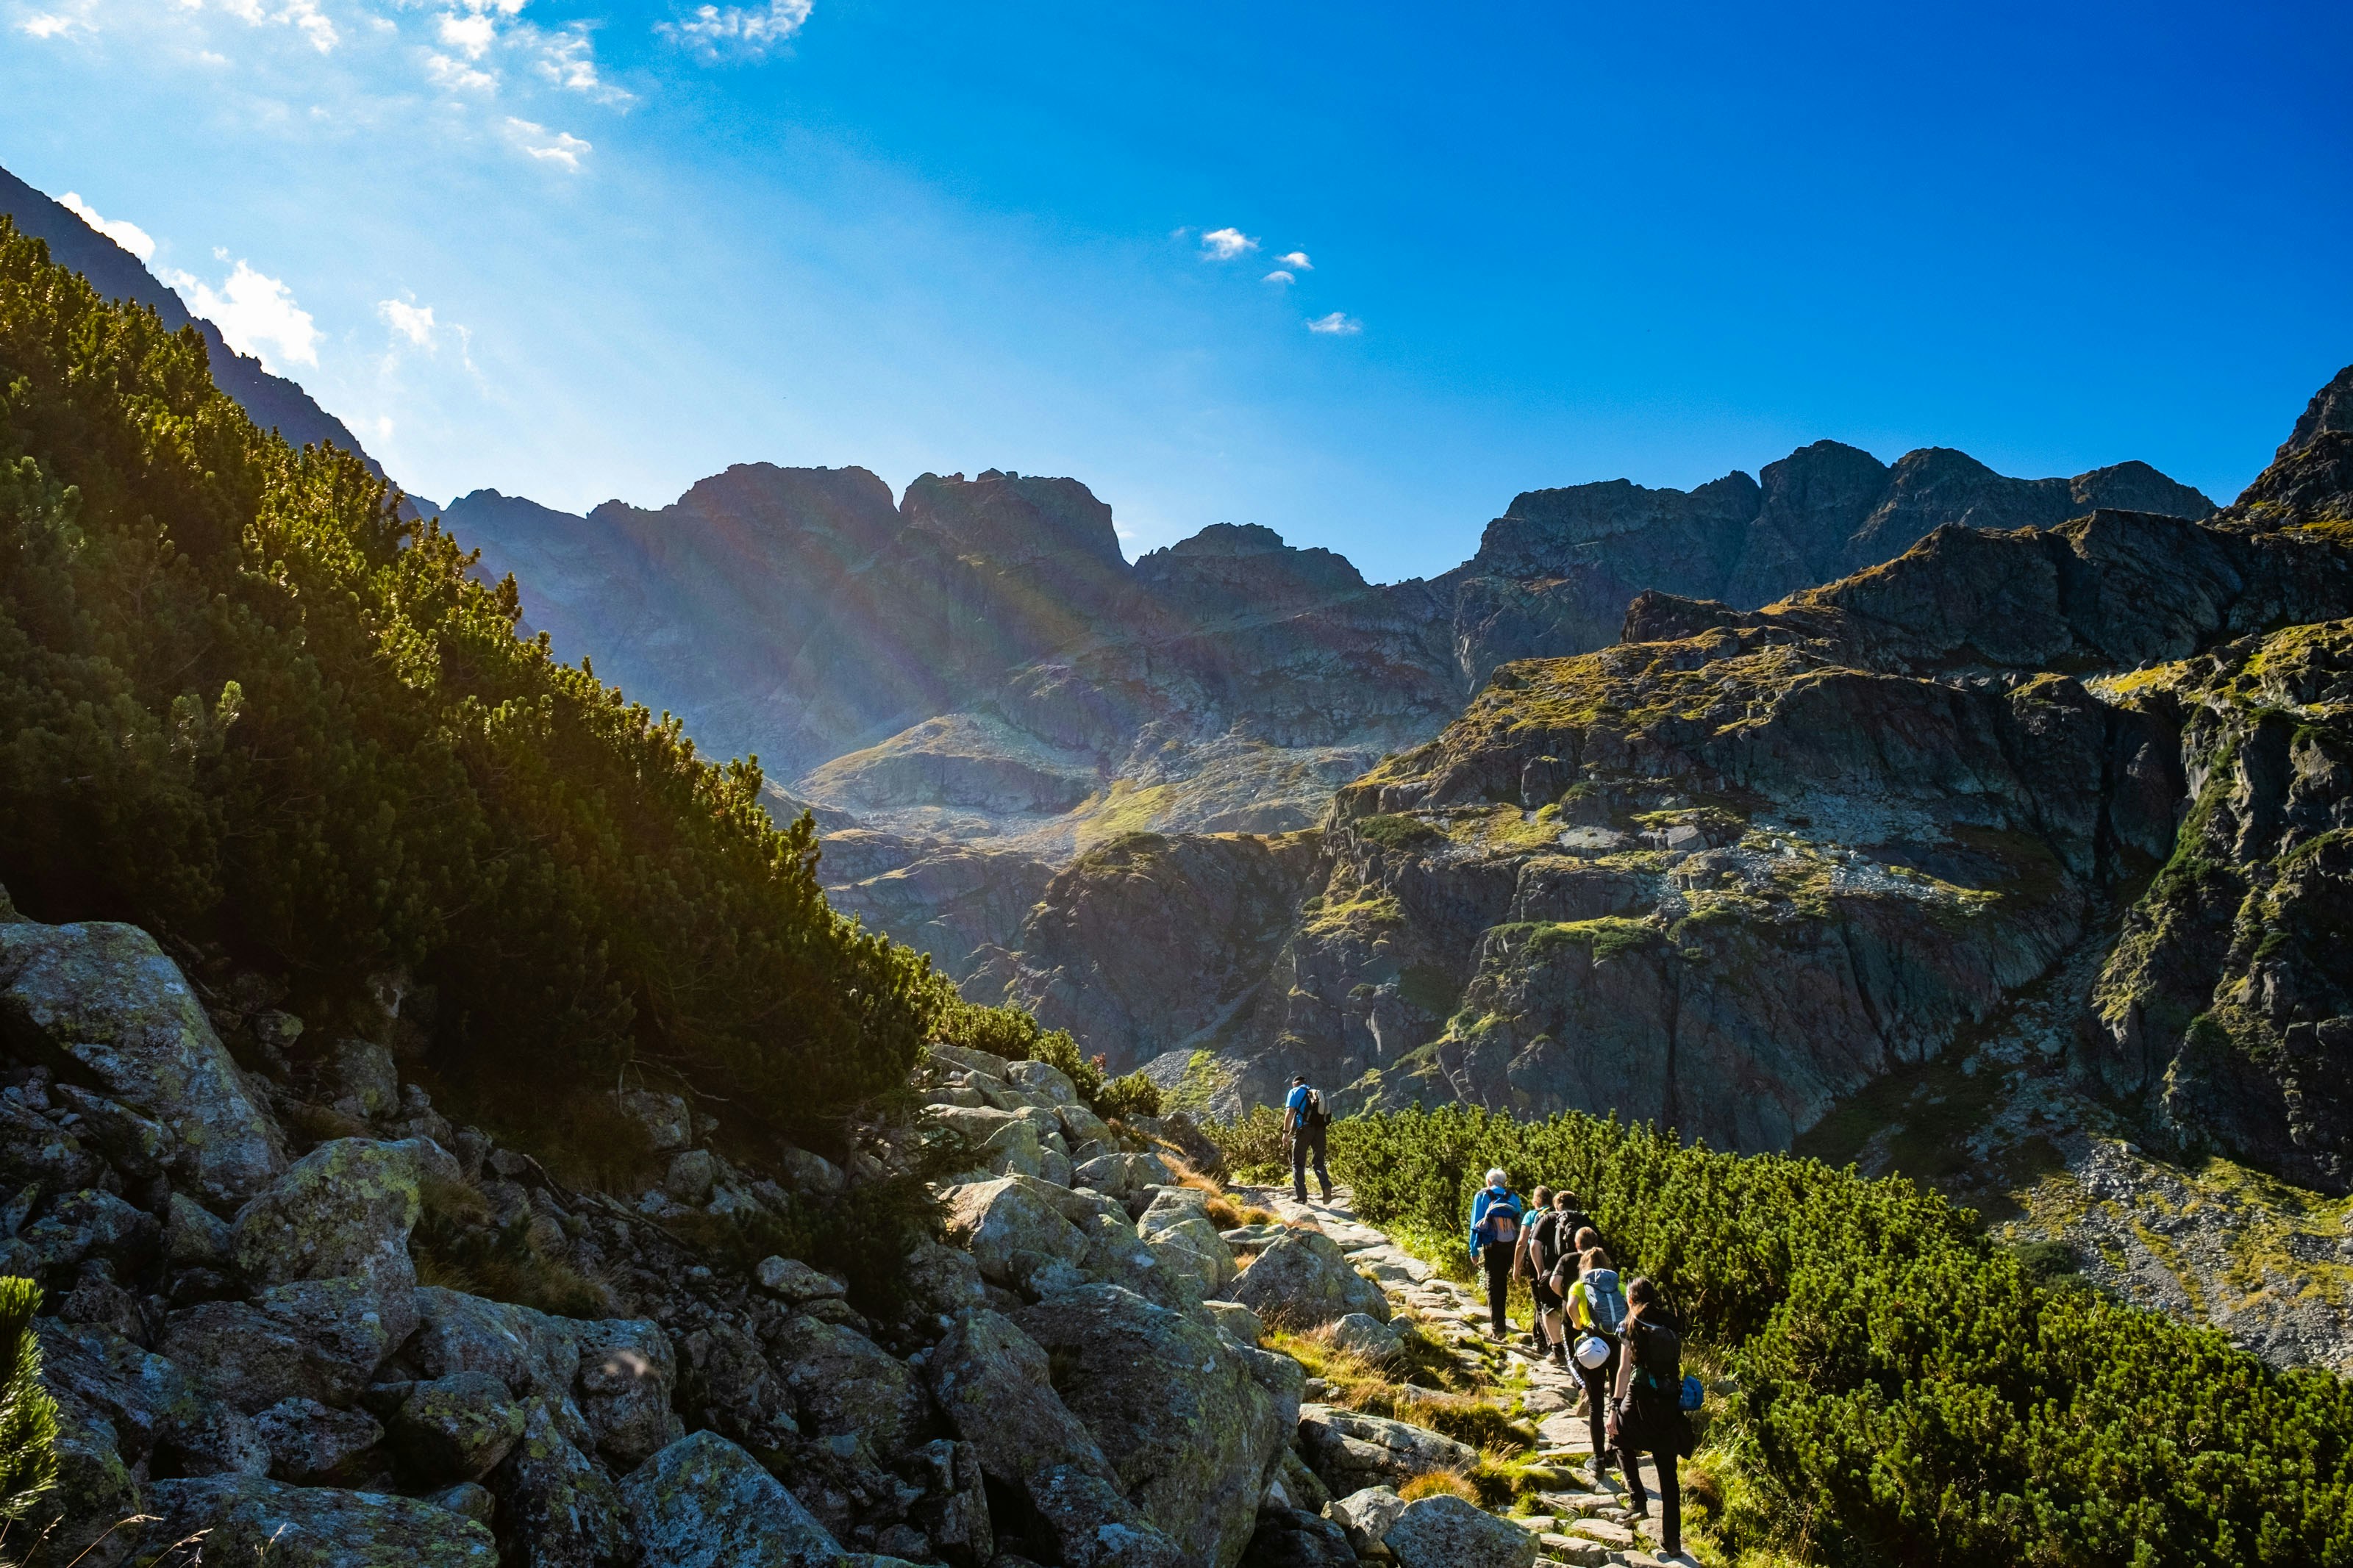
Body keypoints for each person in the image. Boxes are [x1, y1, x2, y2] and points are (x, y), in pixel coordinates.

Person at [1607, 1275, 1689, 1559]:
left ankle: (1638, 1500)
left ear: (1629, 1299)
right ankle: (1673, 1541)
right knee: (1668, 1474)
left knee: (1618, 1437)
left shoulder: (1629, 1324)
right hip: (1668, 1401)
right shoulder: (1670, 1322)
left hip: (1639, 1397)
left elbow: (1623, 1370)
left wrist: (1614, 1408)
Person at [1563, 1243, 1629, 1470]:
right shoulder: (1620, 1286)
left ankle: (1599, 1459)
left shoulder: (1579, 1286)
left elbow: (1571, 1306)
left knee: (1596, 1404)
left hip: (1595, 1345)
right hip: (1619, 1346)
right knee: (1617, 1400)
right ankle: (1617, 1452)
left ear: (1585, 1266)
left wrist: (1577, 1322)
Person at [1466, 1169, 1525, 1339]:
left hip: (1492, 1246)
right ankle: (1501, 1323)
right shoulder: (1513, 1197)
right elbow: (1520, 1222)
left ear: (1489, 1182)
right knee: (1502, 1283)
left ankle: (1498, 1328)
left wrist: (1474, 1249)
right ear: (1503, 1182)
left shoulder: (1482, 1196)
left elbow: (1475, 1224)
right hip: (1510, 1245)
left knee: (1493, 1285)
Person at [1521, 1186, 1561, 1356]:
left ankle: (1548, 1343)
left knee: (1540, 1303)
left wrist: (1517, 1267)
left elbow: (1523, 1242)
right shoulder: (1557, 1216)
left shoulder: (1531, 1215)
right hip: (1557, 1264)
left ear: (1536, 1201)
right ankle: (1544, 1338)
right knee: (1554, 1304)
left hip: (1539, 1264)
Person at [1281, 1075, 1332, 1203]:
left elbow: (1290, 1112)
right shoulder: (1315, 1092)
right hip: (1320, 1130)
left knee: (1298, 1163)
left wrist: (1286, 1132)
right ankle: (1326, 1186)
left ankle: (1302, 1197)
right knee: (1319, 1162)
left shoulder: (1294, 1091)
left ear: (1295, 1084)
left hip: (1304, 1129)